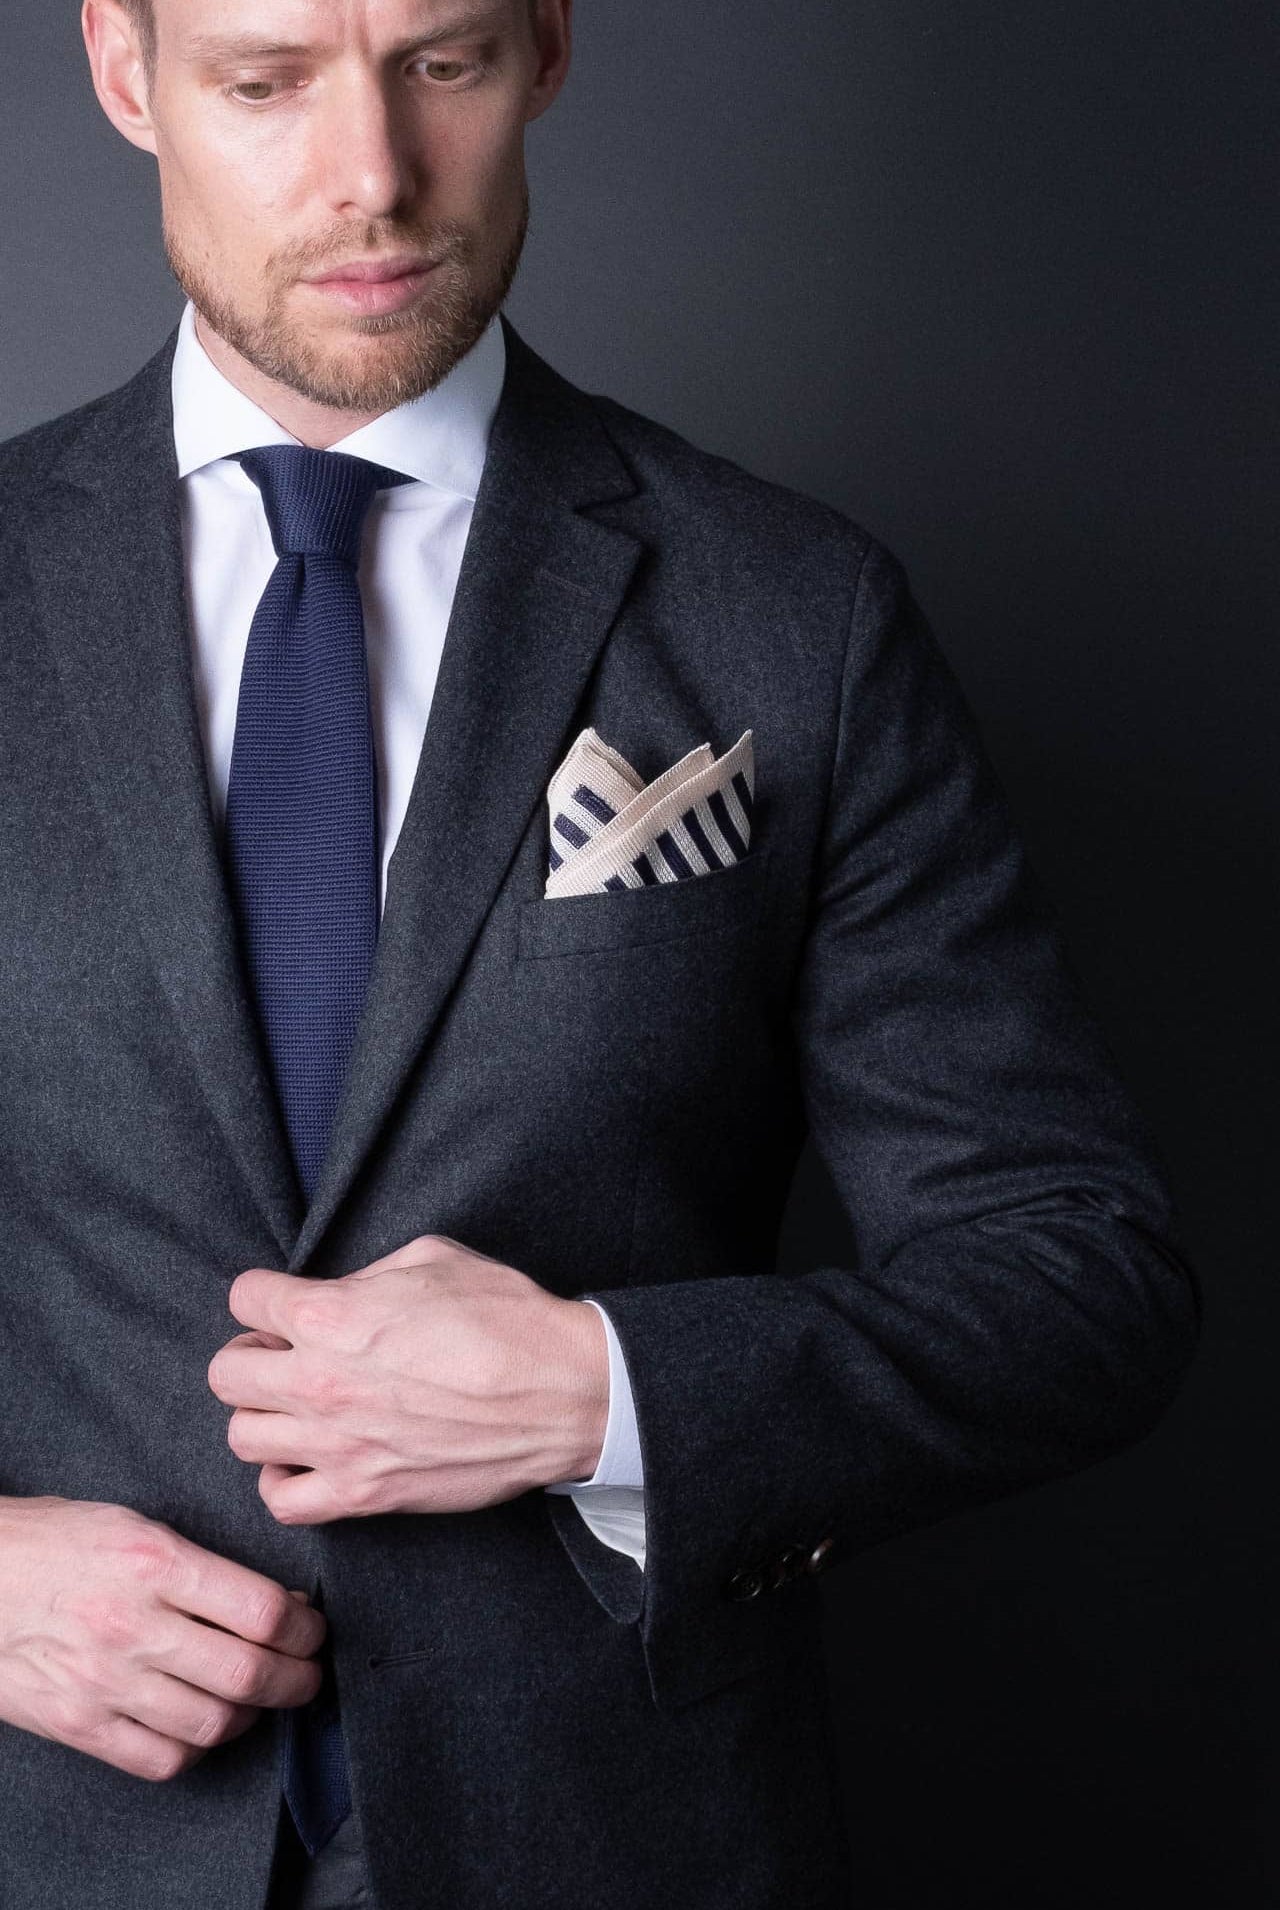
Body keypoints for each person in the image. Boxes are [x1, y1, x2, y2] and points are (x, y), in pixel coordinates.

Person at [0, 1, 1201, 1905]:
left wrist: (608, 1390)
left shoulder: (796, 616)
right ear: (123, 74)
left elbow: (1080, 1276)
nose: (374, 173)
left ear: (550, 48)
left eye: (444, 63)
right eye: (263, 81)